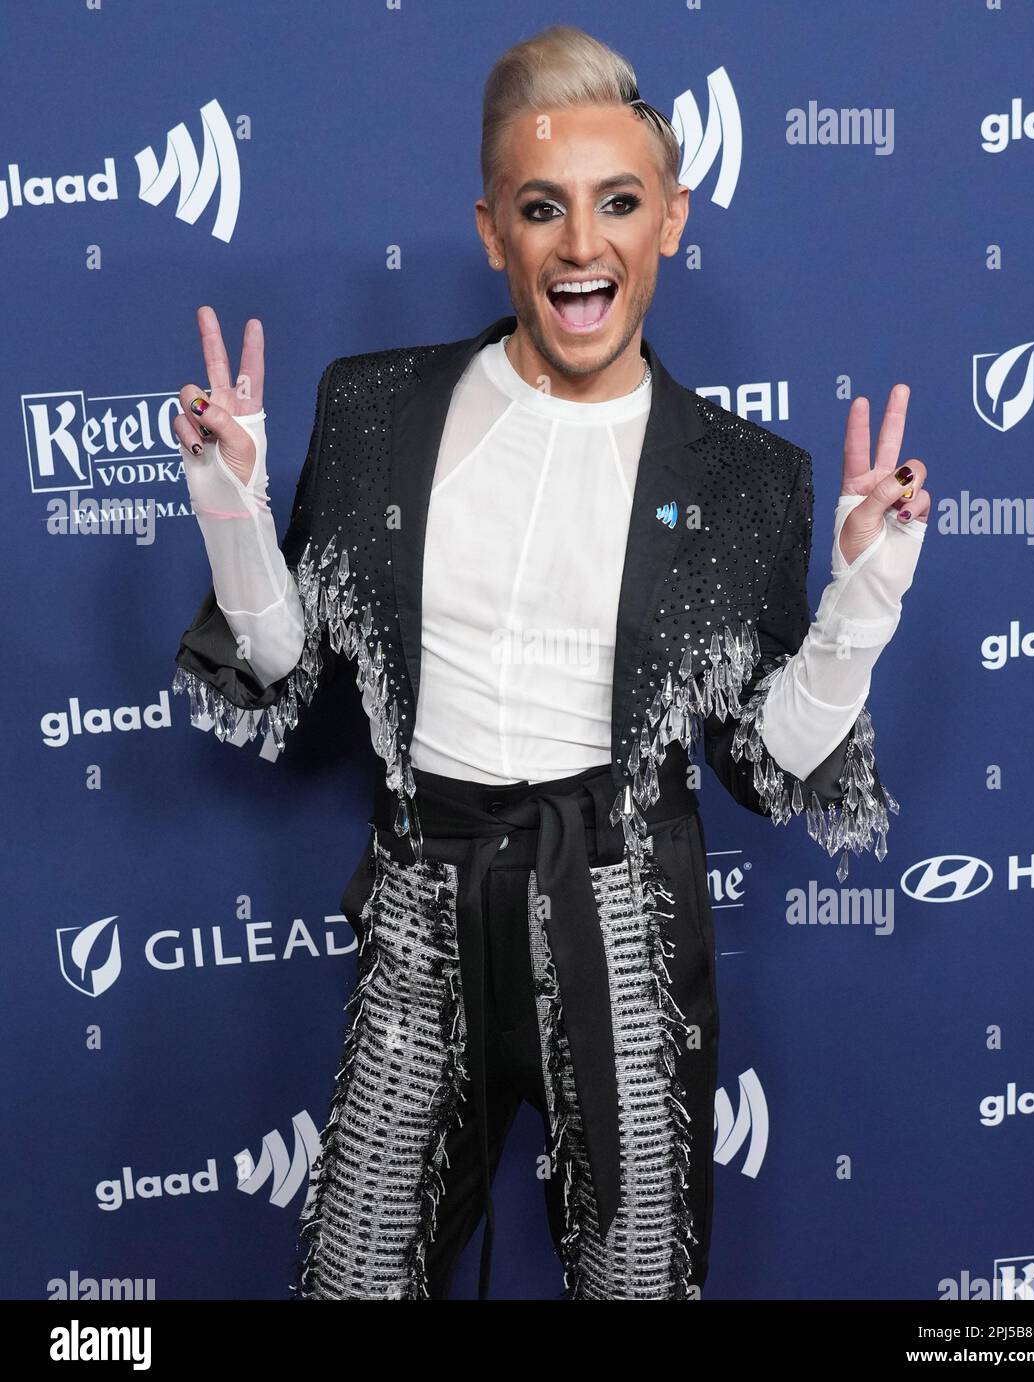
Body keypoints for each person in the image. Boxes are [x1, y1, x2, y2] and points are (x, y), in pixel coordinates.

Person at [170, 25, 929, 1301]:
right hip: (421, 908)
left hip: (625, 920)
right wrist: (233, 510)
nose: (581, 245)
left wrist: (860, 605)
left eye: (617, 203)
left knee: (637, 1286)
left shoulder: (746, 480)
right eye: (542, 209)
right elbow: (283, 668)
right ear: (492, 232)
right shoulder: (373, 408)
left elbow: (760, 760)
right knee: (353, 1279)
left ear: (670, 219)